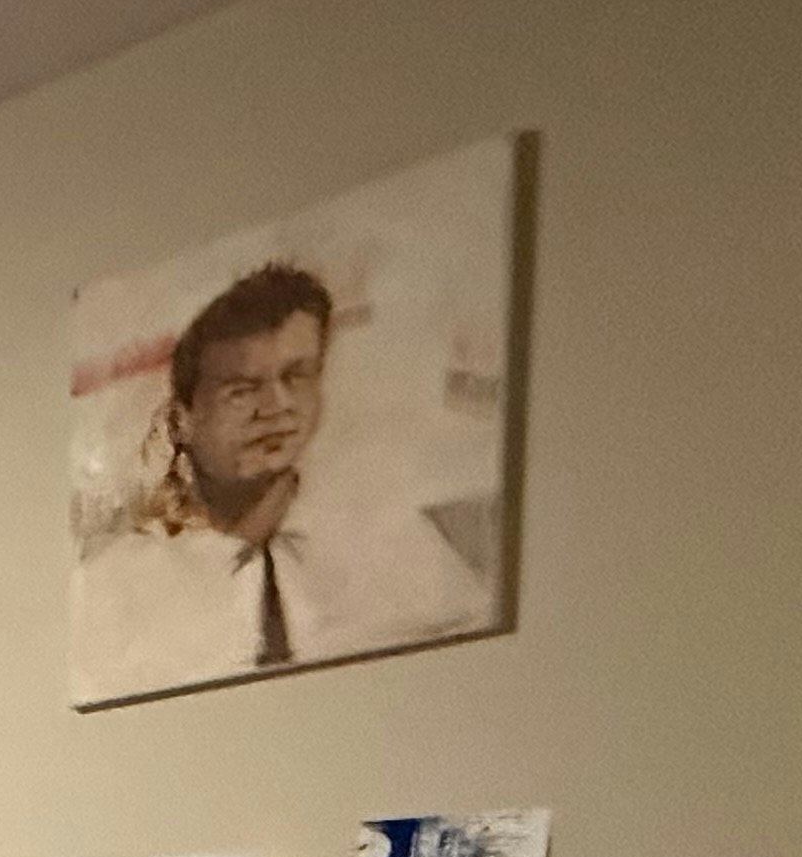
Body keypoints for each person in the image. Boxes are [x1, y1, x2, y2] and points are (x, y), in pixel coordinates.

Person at [73, 258, 490, 698]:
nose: (278, 405)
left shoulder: (395, 548)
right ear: (182, 421)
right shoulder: (117, 588)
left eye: (296, 377)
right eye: (241, 389)